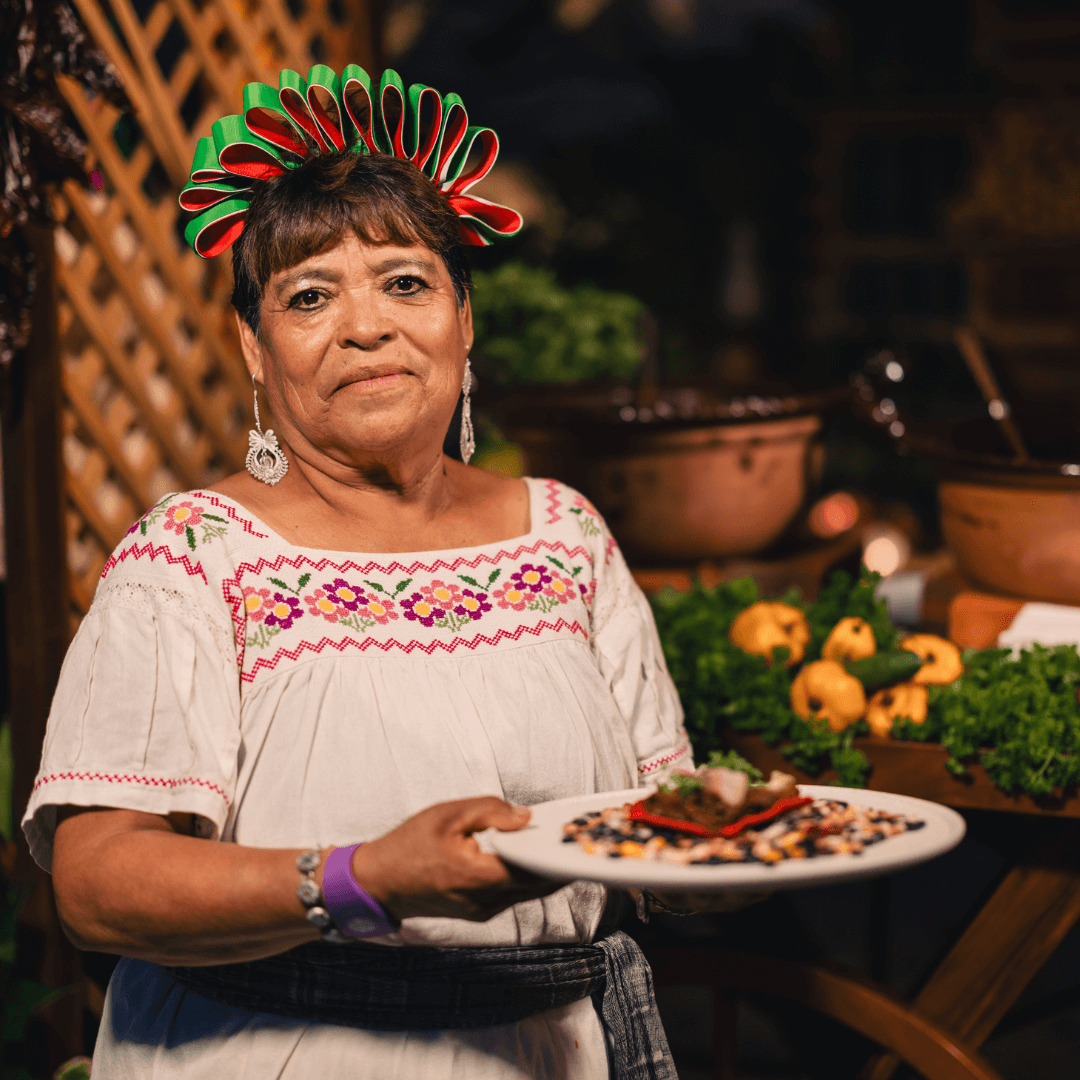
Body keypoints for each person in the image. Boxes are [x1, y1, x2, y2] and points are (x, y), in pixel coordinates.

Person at [23, 65, 693, 1079]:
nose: (367, 325)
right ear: (255, 349)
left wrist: (759, 847)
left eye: (406, 282)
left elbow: (662, 827)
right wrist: (362, 877)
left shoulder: (566, 538)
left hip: (550, 1049)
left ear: (464, 322)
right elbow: (97, 882)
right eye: (308, 295)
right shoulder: (192, 560)